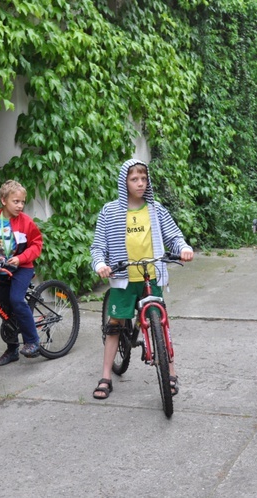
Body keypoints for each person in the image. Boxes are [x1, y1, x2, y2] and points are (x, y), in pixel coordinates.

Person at [90, 159, 194, 400]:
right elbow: (98, 246)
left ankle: (170, 372)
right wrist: (101, 264)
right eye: (134, 179)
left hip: (152, 275)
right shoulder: (110, 211)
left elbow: (174, 236)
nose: (140, 183)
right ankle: (106, 375)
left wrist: (184, 247)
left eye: (143, 179)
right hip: (123, 278)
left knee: (161, 322)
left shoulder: (155, 209)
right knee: (115, 325)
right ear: (123, 182)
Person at [0, 180, 44, 365]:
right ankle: (12, 349)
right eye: (16, 201)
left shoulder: (26, 222)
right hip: (1, 269)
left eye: (22, 202)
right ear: (3, 200)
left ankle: (32, 341)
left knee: (16, 300)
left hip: (22, 268)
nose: (20, 205)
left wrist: (21, 258)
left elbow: (37, 244)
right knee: (6, 310)